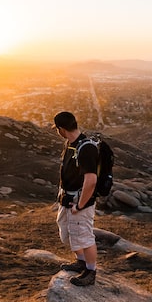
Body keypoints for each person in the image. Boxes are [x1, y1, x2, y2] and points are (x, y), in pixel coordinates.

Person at [53, 111, 98, 286]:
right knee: (68, 234)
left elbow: (91, 180)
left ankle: (90, 271)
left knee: (84, 237)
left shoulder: (86, 148)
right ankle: (81, 261)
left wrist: (80, 205)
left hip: (79, 201)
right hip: (67, 199)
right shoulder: (71, 144)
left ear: (62, 129)